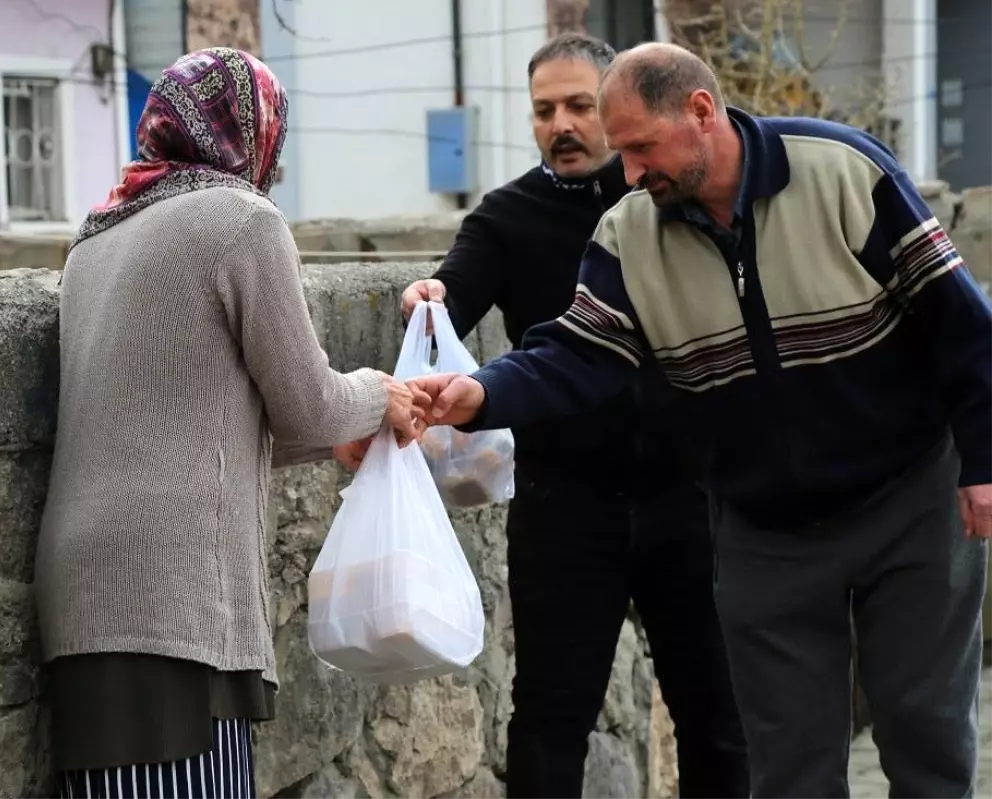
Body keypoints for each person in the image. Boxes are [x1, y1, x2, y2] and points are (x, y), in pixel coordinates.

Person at [412, 41, 992, 799]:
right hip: (763, 529)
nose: (628, 172)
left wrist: (982, 462)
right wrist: (480, 394)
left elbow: (963, 324)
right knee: (786, 763)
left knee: (924, 734)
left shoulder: (847, 172)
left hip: (908, 498)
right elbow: (576, 352)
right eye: (621, 152)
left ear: (700, 111)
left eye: (641, 146)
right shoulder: (629, 232)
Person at [33, 47, 425, 799]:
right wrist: (383, 393)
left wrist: (326, 441)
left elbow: (184, 421)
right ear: (257, 131)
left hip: (85, 586)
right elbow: (309, 399)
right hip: (170, 589)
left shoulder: (94, 239)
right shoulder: (240, 219)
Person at [399, 33, 747, 798]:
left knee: (716, 714)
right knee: (551, 720)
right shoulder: (508, 216)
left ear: (618, 107)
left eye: (581, 106)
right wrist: (429, 302)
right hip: (565, 507)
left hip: (689, 496)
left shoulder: (675, 196)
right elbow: (454, 293)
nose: (562, 124)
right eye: (545, 110)